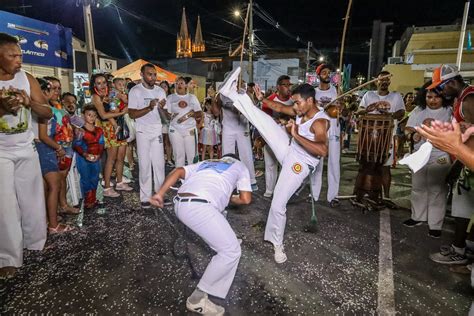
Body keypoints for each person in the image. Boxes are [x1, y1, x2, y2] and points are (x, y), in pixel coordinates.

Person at [220, 67, 329, 263]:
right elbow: (279, 108)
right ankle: (231, 94)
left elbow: (322, 150)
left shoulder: (320, 122)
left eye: (297, 102)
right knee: (266, 122)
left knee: (278, 203)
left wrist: (295, 134)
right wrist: (262, 99)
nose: (295, 105)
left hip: (300, 164)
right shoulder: (300, 109)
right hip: (289, 150)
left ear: (310, 100)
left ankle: (277, 243)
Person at [150, 154, 252, 315]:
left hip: (180, 203)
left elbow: (177, 171)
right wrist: (229, 196)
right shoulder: (241, 166)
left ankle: (229, 240)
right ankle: (197, 299)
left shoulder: (207, 162)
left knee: (221, 219)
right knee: (231, 252)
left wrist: (160, 194)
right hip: (199, 207)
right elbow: (246, 199)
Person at [0, 33, 53, 278]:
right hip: (1, 152)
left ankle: (35, 242)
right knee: (6, 206)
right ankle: (9, 257)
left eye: (20, 54)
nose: (19, 60)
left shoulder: (26, 78)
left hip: (25, 147)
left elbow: (47, 112)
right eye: (13, 55)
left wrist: (29, 102)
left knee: (32, 199)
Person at [415, 64, 474, 265]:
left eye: (442, 87)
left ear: (452, 82)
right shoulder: (463, 98)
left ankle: (458, 250)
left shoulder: (468, 99)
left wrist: (456, 165)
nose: (439, 91)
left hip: (468, 162)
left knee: (462, 208)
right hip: (466, 158)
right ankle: (469, 246)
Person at [402, 82, 452, 238]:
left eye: (437, 97)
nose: (433, 100)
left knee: (437, 190)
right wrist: (412, 135)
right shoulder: (419, 110)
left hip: (440, 155)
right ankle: (417, 217)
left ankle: (435, 225)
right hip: (420, 154)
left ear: (444, 96)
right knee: (418, 187)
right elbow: (408, 128)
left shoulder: (449, 112)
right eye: (429, 96)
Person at [355, 71, 405, 204]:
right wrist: (367, 109)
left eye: (387, 80)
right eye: (381, 79)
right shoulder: (369, 95)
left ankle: (386, 196)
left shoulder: (396, 96)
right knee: (365, 165)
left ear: (389, 81)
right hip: (369, 137)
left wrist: (390, 115)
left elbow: (401, 113)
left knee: (385, 168)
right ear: (376, 81)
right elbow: (359, 111)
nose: (384, 82)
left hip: (387, 136)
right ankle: (361, 193)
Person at [36, 78, 75, 233]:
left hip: (55, 146)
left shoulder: (56, 107)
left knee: (55, 182)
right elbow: (43, 135)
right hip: (47, 147)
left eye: (58, 88)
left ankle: (52, 215)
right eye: (53, 89)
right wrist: (58, 148)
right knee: (53, 185)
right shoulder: (43, 109)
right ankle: (52, 223)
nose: (56, 92)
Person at [128, 63, 167, 209]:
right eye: (149, 74)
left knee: (159, 164)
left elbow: (165, 118)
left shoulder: (160, 91)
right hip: (142, 132)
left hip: (156, 130)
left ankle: (160, 194)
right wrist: (149, 107)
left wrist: (162, 109)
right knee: (144, 165)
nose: (153, 77)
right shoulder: (135, 91)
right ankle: (145, 197)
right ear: (142, 75)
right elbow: (132, 114)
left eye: (154, 74)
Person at [90, 73, 130, 198]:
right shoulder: (96, 97)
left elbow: (125, 103)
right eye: (98, 83)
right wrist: (121, 112)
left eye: (104, 82)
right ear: (94, 85)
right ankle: (107, 187)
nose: (102, 85)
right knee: (111, 159)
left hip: (121, 125)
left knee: (121, 157)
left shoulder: (111, 93)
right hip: (108, 128)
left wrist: (123, 105)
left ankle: (119, 182)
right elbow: (103, 115)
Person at [213, 82, 258, 191]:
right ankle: (227, 179)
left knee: (246, 154)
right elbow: (215, 112)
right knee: (227, 154)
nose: (234, 84)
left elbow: (252, 109)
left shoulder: (244, 93)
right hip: (228, 127)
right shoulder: (222, 94)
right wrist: (214, 98)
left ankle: (251, 180)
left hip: (242, 127)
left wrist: (244, 96)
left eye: (236, 82)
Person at [311, 64, 341, 207]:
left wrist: (341, 108)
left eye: (329, 72)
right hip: (319, 129)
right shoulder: (313, 92)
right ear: (318, 75)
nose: (327, 75)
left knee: (334, 163)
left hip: (334, 129)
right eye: (324, 72)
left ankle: (333, 196)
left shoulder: (337, 91)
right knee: (317, 162)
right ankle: (314, 194)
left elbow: (342, 112)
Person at [260, 75, 294, 198]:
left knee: (286, 164)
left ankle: (285, 190)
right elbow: (263, 119)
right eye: (285, 85)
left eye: (289, 85)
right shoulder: (269, 100)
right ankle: (270, 189)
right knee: (270, 163)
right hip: (271, 135)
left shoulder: (293, 101)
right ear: (278, 87)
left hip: (288, 136)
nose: (288, 87)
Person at [73, 104, 105, 209]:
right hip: (83, 158)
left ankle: (93, 198)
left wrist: (98, 155)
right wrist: (85, 154)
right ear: (83, 115)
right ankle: (88, 200)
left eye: (94, 115)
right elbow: (76, 145)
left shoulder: (99, 130)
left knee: (95, 179)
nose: (92, 117)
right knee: (85, 179)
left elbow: (101, 144)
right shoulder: (80, 131)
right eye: (89, 115)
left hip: (96, 158)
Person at [166, 76, 202, 167]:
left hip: (190, 129)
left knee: (192, 155)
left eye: (181, 83)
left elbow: (199, 113)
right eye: (176, 83)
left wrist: (190, 115)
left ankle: (193, 177)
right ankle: (181, 178)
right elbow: (167, 114)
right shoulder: (170, 97)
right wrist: (168, 115)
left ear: (186, 85)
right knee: (178, 155)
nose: (179, 85)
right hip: (175, 129)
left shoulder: (192, 97)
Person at [159, 80, 174, 167]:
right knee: (160, 142)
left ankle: (169, 159)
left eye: (165, 86)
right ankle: (161, 159)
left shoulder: (170, 98)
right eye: (161, 86)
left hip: (169, 122)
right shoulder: (156, 98)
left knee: (168, 141)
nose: (163, 88)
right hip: (158, 123)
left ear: (168, 88)